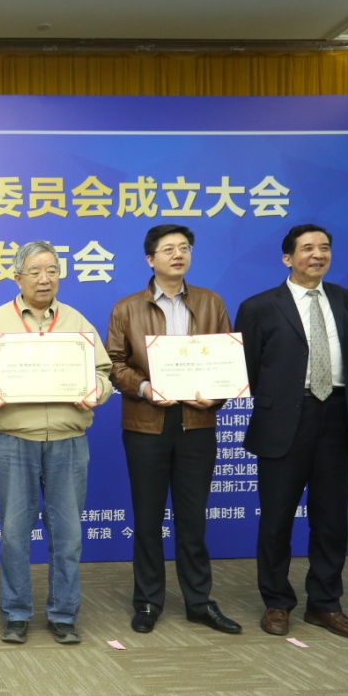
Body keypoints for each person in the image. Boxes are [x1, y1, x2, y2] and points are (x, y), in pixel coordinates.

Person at [0, 240, 112, 645]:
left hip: (68, 439)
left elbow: (104, 372)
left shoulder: (77, 320)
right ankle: (16, 612)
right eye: (35, 272)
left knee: (68, 534)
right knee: (14, 533)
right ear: (18, 278)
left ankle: (63, 614)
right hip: (15, 439)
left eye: (52, 271)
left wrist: (96, 390)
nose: (45, 279)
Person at [106, 224, 242, 635]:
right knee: (148, 518)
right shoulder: (127, 308)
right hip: (146, 424)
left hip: (197, 423)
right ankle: (148, 601)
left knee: (192, 518)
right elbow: (114, 364)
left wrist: (215, 397)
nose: (178, 254)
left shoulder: (211, 302)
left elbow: (227, 361)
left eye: (184, 248)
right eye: (168, 249)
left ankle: (199, 601)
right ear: (150, 259)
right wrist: (145, 387)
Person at [235, 224, 348, 639]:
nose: (317, 254)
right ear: (287, 259)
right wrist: (283, 400)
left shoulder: (346, 300)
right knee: (276, 519)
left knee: (331, 519)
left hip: (338, 417)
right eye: (307, 248)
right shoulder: (259, 307)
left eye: (324, 247)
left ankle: (325, 604)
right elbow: (249, 369)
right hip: (284, 420)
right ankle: (277, 602)